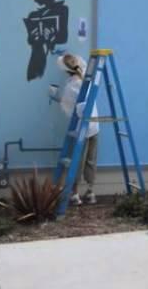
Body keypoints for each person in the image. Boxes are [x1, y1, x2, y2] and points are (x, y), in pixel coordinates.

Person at [54, 53, 99, 205]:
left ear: (66, 71)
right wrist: (69, 57)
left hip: (81, 128)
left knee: (78, 160)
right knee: (91, 160)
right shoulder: (87, 77)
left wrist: (57, 99)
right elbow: (82, 63)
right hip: (94, 124)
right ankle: (90, 191)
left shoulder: (71, 86)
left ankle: (75, 194)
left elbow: (68, 108)